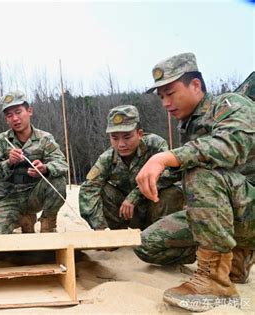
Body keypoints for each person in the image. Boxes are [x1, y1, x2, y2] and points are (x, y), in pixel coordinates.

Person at [135, 52, 254, 312]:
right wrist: (135, 194)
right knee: (147, 246)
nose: (165, 103)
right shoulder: (187, 125)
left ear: (196, 86)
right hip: (225, 212)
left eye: (170, 93)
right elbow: (176, 172)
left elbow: (230, 145)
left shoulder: (231, 104)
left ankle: (214, 282)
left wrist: (166, 157)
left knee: (200, 173)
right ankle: (232, 261)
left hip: (249, 208)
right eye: (161, 97)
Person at [79, 105, 183, 231]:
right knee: (103, 190)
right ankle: (116, 236)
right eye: (115, 138)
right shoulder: (107, 158)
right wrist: (99, 227)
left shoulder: (155, 145)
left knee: (171, 191)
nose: (121, 144)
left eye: (127, 137)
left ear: (139, 134)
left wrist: (134, 196)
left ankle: (162, 234)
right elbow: (88, 190)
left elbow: (171, 173)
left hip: (155, 208)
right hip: (129, 215)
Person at [0, 91, 68, 234]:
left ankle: (48, 223)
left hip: (35, 195)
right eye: (9, 115)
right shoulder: (2, 140)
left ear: (29, 111)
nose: (15, 118)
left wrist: (45, 168)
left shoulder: (45, 138)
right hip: (10, 199)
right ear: (6, 120)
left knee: (58, 179)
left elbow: (62, 164)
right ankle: (25, 219)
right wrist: (8, 162)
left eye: (18, 112)